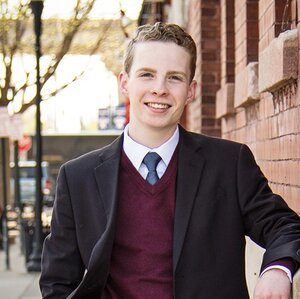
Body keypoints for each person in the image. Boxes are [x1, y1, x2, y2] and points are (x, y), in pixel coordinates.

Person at [40, 22, 300, 299]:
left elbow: (284, 226)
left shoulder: (228, 164)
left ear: (191, 90)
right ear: (125, 83)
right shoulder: (78, 177)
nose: (160, 89)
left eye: (174, 77)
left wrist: (277, 269)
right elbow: (57, 283)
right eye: (147, 75)